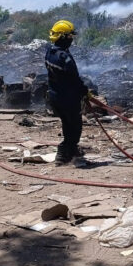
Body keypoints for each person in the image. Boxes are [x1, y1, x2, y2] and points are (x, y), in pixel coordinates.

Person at [45, 20, 91, 165]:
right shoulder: (65, 58)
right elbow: (74, 79)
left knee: (67, 124)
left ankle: (71, 150)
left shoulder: (50, 53)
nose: (71, 40)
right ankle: (64, 153)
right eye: (70, 37)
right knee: (75, 127)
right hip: (68, 99)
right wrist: (84, 91)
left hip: (55, 97)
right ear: (63, 37)